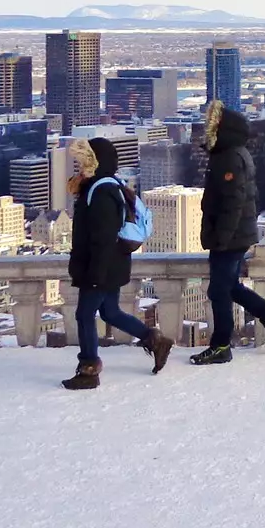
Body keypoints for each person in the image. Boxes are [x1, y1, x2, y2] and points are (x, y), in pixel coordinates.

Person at [63, 136, 173, 389]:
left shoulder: (100, 192)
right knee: (110, 311)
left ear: (94, 161)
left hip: (101, 266)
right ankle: (154, 340)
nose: (78, 166)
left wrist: (94, 275)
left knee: (84, 314)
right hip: (114, 264)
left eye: (83, 161)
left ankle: (89, 368)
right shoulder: (111, 185)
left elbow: (102, 238)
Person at [193, 101, 265, 365]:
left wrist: (221, 238)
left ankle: (221, 345)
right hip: (237, 234)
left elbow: (232, 202)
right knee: (230, 287)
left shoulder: (229, 158)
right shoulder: (234, 153)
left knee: (218, 291)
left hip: (231, 237)